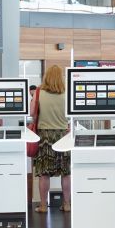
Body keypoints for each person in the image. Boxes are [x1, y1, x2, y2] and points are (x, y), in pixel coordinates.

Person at [33, 65, 71, 213]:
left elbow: (32, 113)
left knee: (44, 173)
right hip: (63, 135)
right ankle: (67, 204)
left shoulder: (39, 92)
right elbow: (71, 115)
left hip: (45, 136)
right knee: (66, 173)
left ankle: (43, 205)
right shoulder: (66, 92)